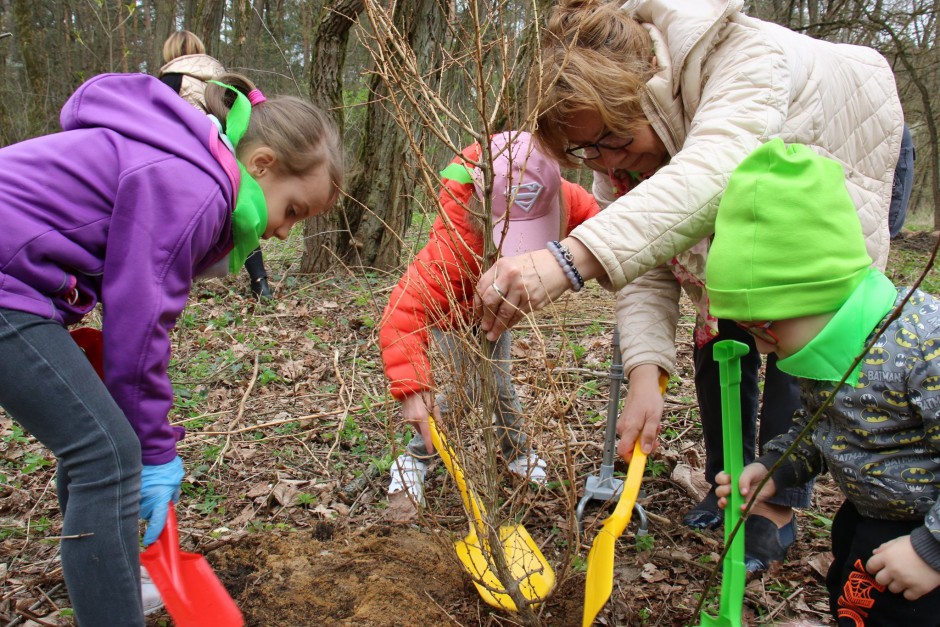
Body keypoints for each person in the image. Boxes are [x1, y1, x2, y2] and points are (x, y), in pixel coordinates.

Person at [473, 0, 909, 570]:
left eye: (611, 137)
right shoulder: (623, 157)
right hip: (716, 170)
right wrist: (644, 373)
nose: (605, 161)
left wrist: (568, 257)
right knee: (719, 319)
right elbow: (645, 266)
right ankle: (728, 477)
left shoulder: (744, 55)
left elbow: (715, 167)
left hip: (843, 140)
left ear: (645, 90)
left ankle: (777, 504)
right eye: (588, 152)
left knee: (794, 326)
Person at [0, 71, 342, 625]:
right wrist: (157, 453)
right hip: (6, 287)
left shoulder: (185, 161)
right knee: (107, 453)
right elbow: (140, 326)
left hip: (19, 285)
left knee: (98, 445)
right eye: (294, 211)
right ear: (262, 166)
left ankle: (102, 579)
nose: (283, 232)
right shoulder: (196, 186)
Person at [712, 140, 940, 625]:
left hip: (924, 538)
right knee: (855, 609)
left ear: (819, 294)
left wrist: (930, 548)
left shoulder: (923, 345)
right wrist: (776, 469)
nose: (763, 348)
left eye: (766, 329)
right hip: (867, 522)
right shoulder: (829, 342)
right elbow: (820, 426)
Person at [379, 131, 600, 521]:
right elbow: (402, 313)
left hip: (495, 311)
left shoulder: (552, 190)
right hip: (451, 317)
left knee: (497, 384)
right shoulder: (453, 249)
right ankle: (415, 458)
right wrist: (413, 387)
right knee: (469, 389)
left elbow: (601, 221)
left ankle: (517, 453)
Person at [159, 30, 273, 300]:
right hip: (226, 156)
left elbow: (159, 122)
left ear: (169, 53)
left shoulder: (170, 80)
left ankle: (175, 286)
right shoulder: (223, 80)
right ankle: (260, 283)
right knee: (240, 215)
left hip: (186, 158)